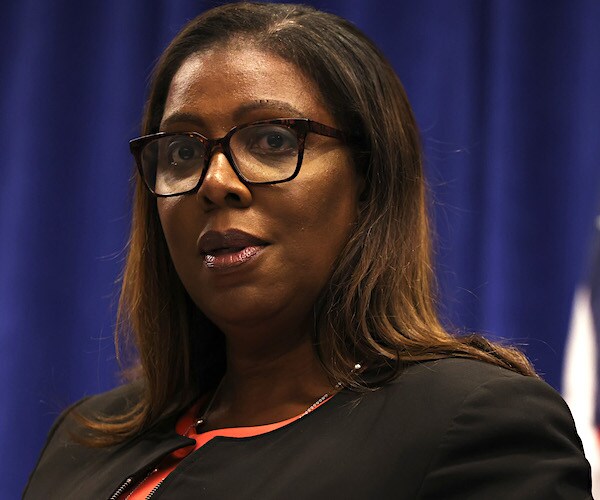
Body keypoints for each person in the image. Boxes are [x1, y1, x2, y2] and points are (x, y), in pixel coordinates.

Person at [24, 2, 591, 499]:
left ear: (368, 179)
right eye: (180, 151)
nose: (215, 181)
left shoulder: (474, 428)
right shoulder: (85, 437)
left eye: (272, 140)